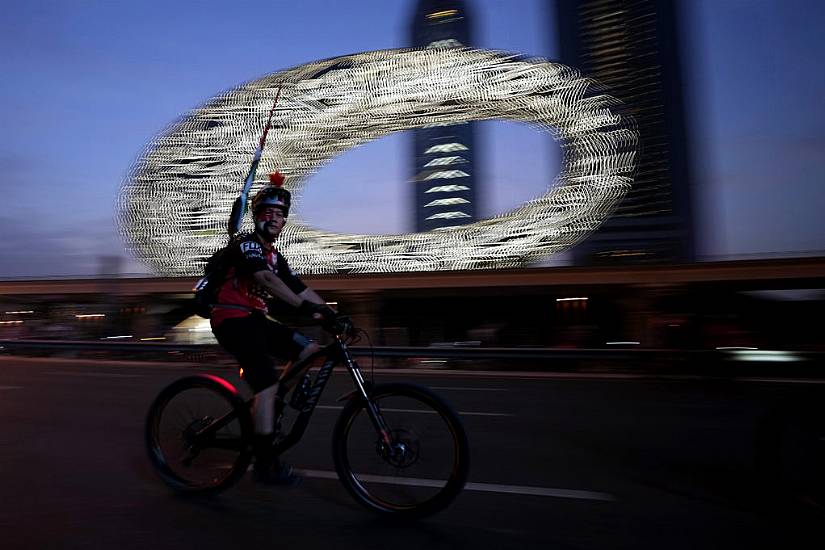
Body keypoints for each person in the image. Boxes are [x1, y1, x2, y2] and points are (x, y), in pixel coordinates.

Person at [210, 171, 336, 484]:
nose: (277, 220)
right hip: (232, 319)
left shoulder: (275, 256)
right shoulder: (248, 246)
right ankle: (265, 464)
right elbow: (267, 280)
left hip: (255, 320)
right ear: (257, 217)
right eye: (271, 213)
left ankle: (271, 404)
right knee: (264, 384)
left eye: (282, 215)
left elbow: (298, 286)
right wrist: (306, 309)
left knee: (309, 350)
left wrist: (330, 313)